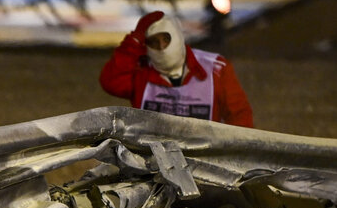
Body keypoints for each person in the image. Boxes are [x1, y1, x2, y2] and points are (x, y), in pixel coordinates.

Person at [99, 10, 253, 127]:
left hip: (203, 161)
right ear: (146, 46)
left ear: (178, 36)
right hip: (150, 162)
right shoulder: (142, 72)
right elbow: (110, 81)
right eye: (153, 42)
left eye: (166, 39)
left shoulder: (215, 68)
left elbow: (239, 116)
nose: (161, 47)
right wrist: (135, 40)